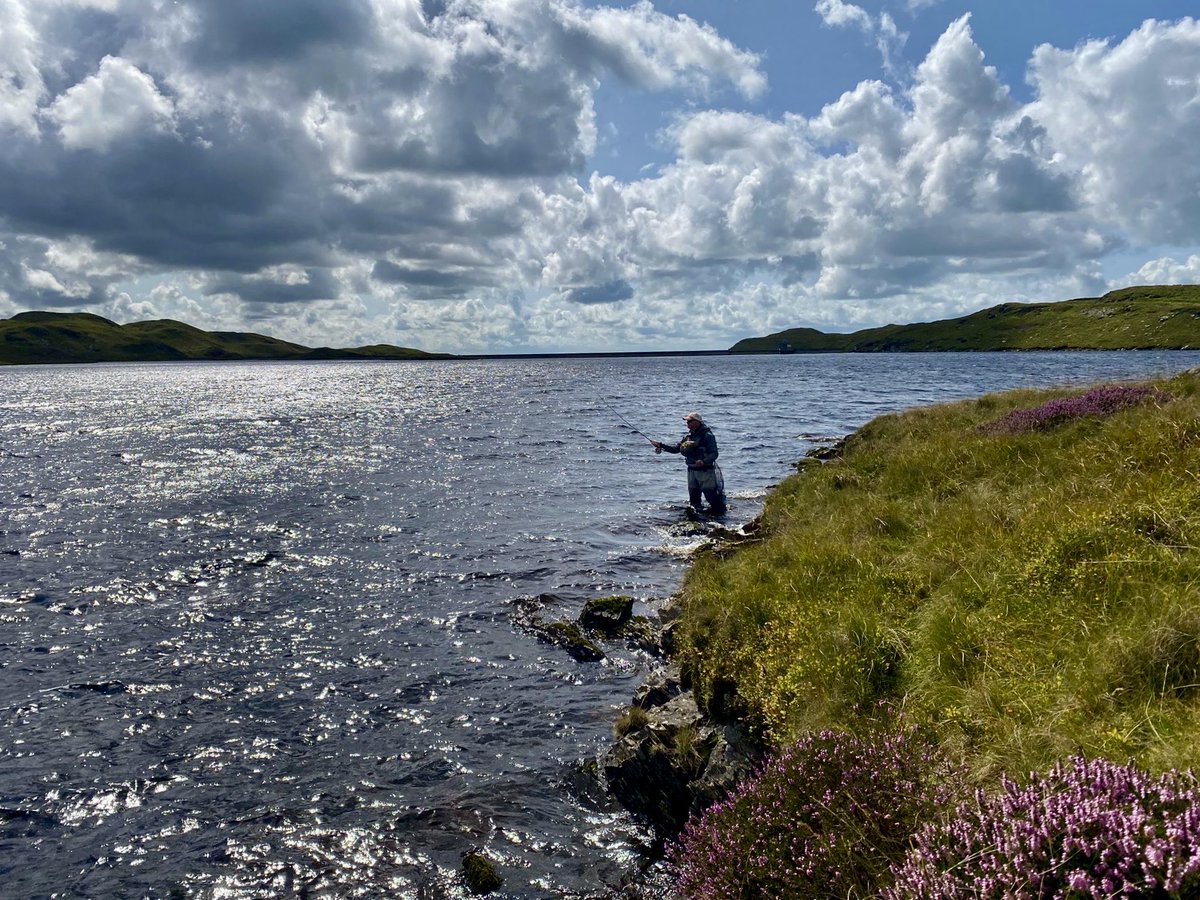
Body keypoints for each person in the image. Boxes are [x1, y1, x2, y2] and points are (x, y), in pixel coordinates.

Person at [652, 411, 727, 516]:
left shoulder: (707, 436)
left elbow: (714, 453)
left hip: (705, 472)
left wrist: (703, 461)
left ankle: (719, 518)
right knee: (694, 500)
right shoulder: (687, 437)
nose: (687, 424)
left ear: (697, 422)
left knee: (711, 497)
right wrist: (661, 445)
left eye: (689, 421)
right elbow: (675, 449)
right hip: (692, 471)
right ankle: (698, 519)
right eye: (687, 422)